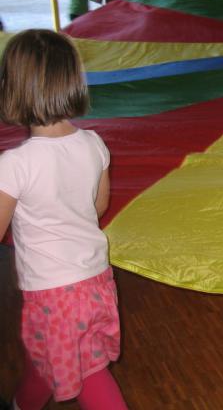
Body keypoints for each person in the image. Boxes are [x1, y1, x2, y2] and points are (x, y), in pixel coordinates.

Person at [0, 30, 127, 410]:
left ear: (12, 90)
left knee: (86, 372)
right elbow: (98, 206)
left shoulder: (15, 165)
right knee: (50, 357)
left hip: (53, 294)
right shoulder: (94, 144)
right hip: (96, 281)